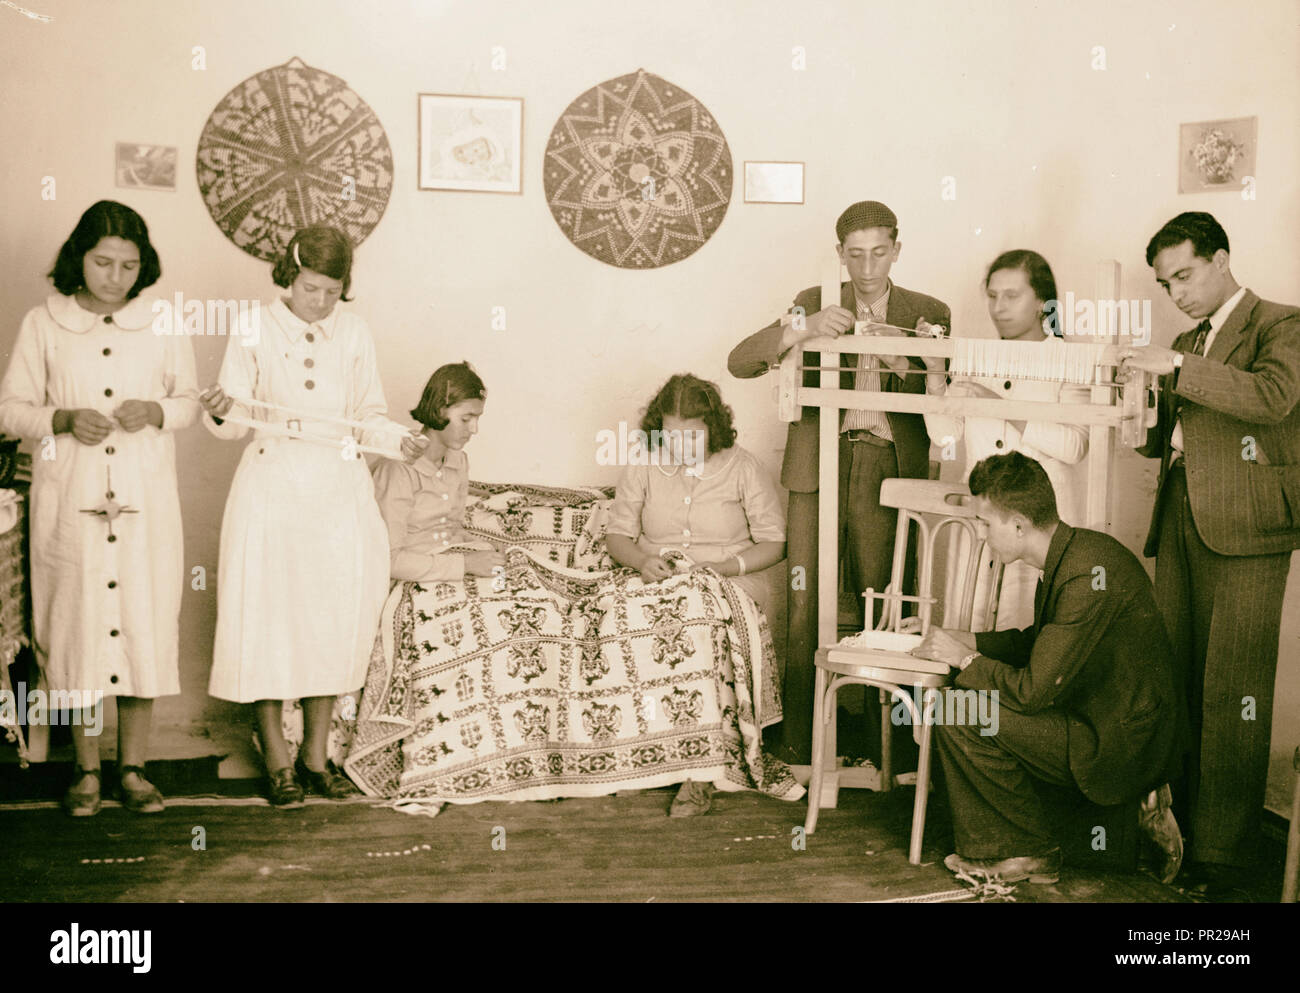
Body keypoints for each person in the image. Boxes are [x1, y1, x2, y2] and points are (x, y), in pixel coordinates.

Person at [200, 225, 427, 809]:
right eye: (309, 288)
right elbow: (232, 417)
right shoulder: (254, 327)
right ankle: (277, 760)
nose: (320, 301)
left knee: (330, 620)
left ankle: (315, 757)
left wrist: (398, 442)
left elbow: (367, 415)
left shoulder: (352, 332)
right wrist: (222, 409)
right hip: (272, 488)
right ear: (288, 274)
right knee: (270, 622)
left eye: (331, 291)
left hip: (336, 491)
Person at [728, 200, 951, 766]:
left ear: (897, 250)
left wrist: (915, 361)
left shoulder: (930, 310)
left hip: (888, 468)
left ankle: (891, 749)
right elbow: (739, 362)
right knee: (806, 601)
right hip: (817, 465)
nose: (868, 266)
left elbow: (946, 404)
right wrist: (796, 329)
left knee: (886, 600)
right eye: (855, 254)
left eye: (879, 252)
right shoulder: (813, 301)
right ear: (839, 255)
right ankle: (803, 744)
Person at [1120, 211, 1300, 897]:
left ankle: (1223, 854)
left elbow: (1275, 398)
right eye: (1166, 285)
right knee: (1180, 683)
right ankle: (1180, 830)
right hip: (1183, 520)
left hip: (1250, 531)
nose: (1178, 294)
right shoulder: (1187, 340)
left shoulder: (1282, 324)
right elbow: (1163, 434)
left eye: (1185, 276)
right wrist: (1134, 402)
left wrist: (1175, 366)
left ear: (1222, 258)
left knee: (1235, 693)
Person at [0, 200, 199, 816]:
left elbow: (191, 401)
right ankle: (87, 772)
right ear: (78, 258)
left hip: (143, 501)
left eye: (129, 265)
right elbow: (10, 409)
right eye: (103, 262)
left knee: (141, 623)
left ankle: (133, 770)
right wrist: (60, 418)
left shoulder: (164, 323)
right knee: (81, 627)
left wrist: (158, 411)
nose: (116, 276)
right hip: (72, 501)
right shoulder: (44, 323)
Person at [914, 452, 1182, 884]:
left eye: (986, 523)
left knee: (954, 709)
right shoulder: (1076, 553)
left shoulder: (1084, 575)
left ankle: (1028, 855)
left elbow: (1031, 690)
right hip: (1100, 720)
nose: (982, 536)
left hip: (1115, 742)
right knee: (963, 700)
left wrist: (964, 659)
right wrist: (963, 640)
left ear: (1019, 524)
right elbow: (1039, 646)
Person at [604, 373, 787, 815]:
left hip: (730, 578)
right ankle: (638, 760)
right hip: (656, 577)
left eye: (692, 434)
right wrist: (642, 562)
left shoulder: (743, 467)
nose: (680, 445)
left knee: (699, 624)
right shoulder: (645, 464)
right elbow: (617, 536)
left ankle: (700, 773)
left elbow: (773, 543)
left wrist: (723, 568)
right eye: (671, 434)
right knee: (618, 619)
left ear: (714, 427)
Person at [923, 250, 1089, 631]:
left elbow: (1075, 446)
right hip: (981, 514)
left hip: (1039, 519)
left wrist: (1001, 405)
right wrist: (935, 375)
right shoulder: (975, 356)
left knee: (1027, 623)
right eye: (993, 295)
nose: (999, 307)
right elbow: (945, 434)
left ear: (1042, 303)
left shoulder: (1072, 359)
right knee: (970, 621)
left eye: (1011, 295)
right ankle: (967, 692)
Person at [372, 362, 503, 584]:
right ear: (441, 409)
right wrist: (467, 564)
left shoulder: (458, 460)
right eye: (466, 419)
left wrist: (486, 552)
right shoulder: (397, 469)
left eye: (477, 418)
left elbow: (452, 529)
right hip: (414, 578)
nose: (474, 429)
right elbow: (388, 559)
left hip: (451, 564)